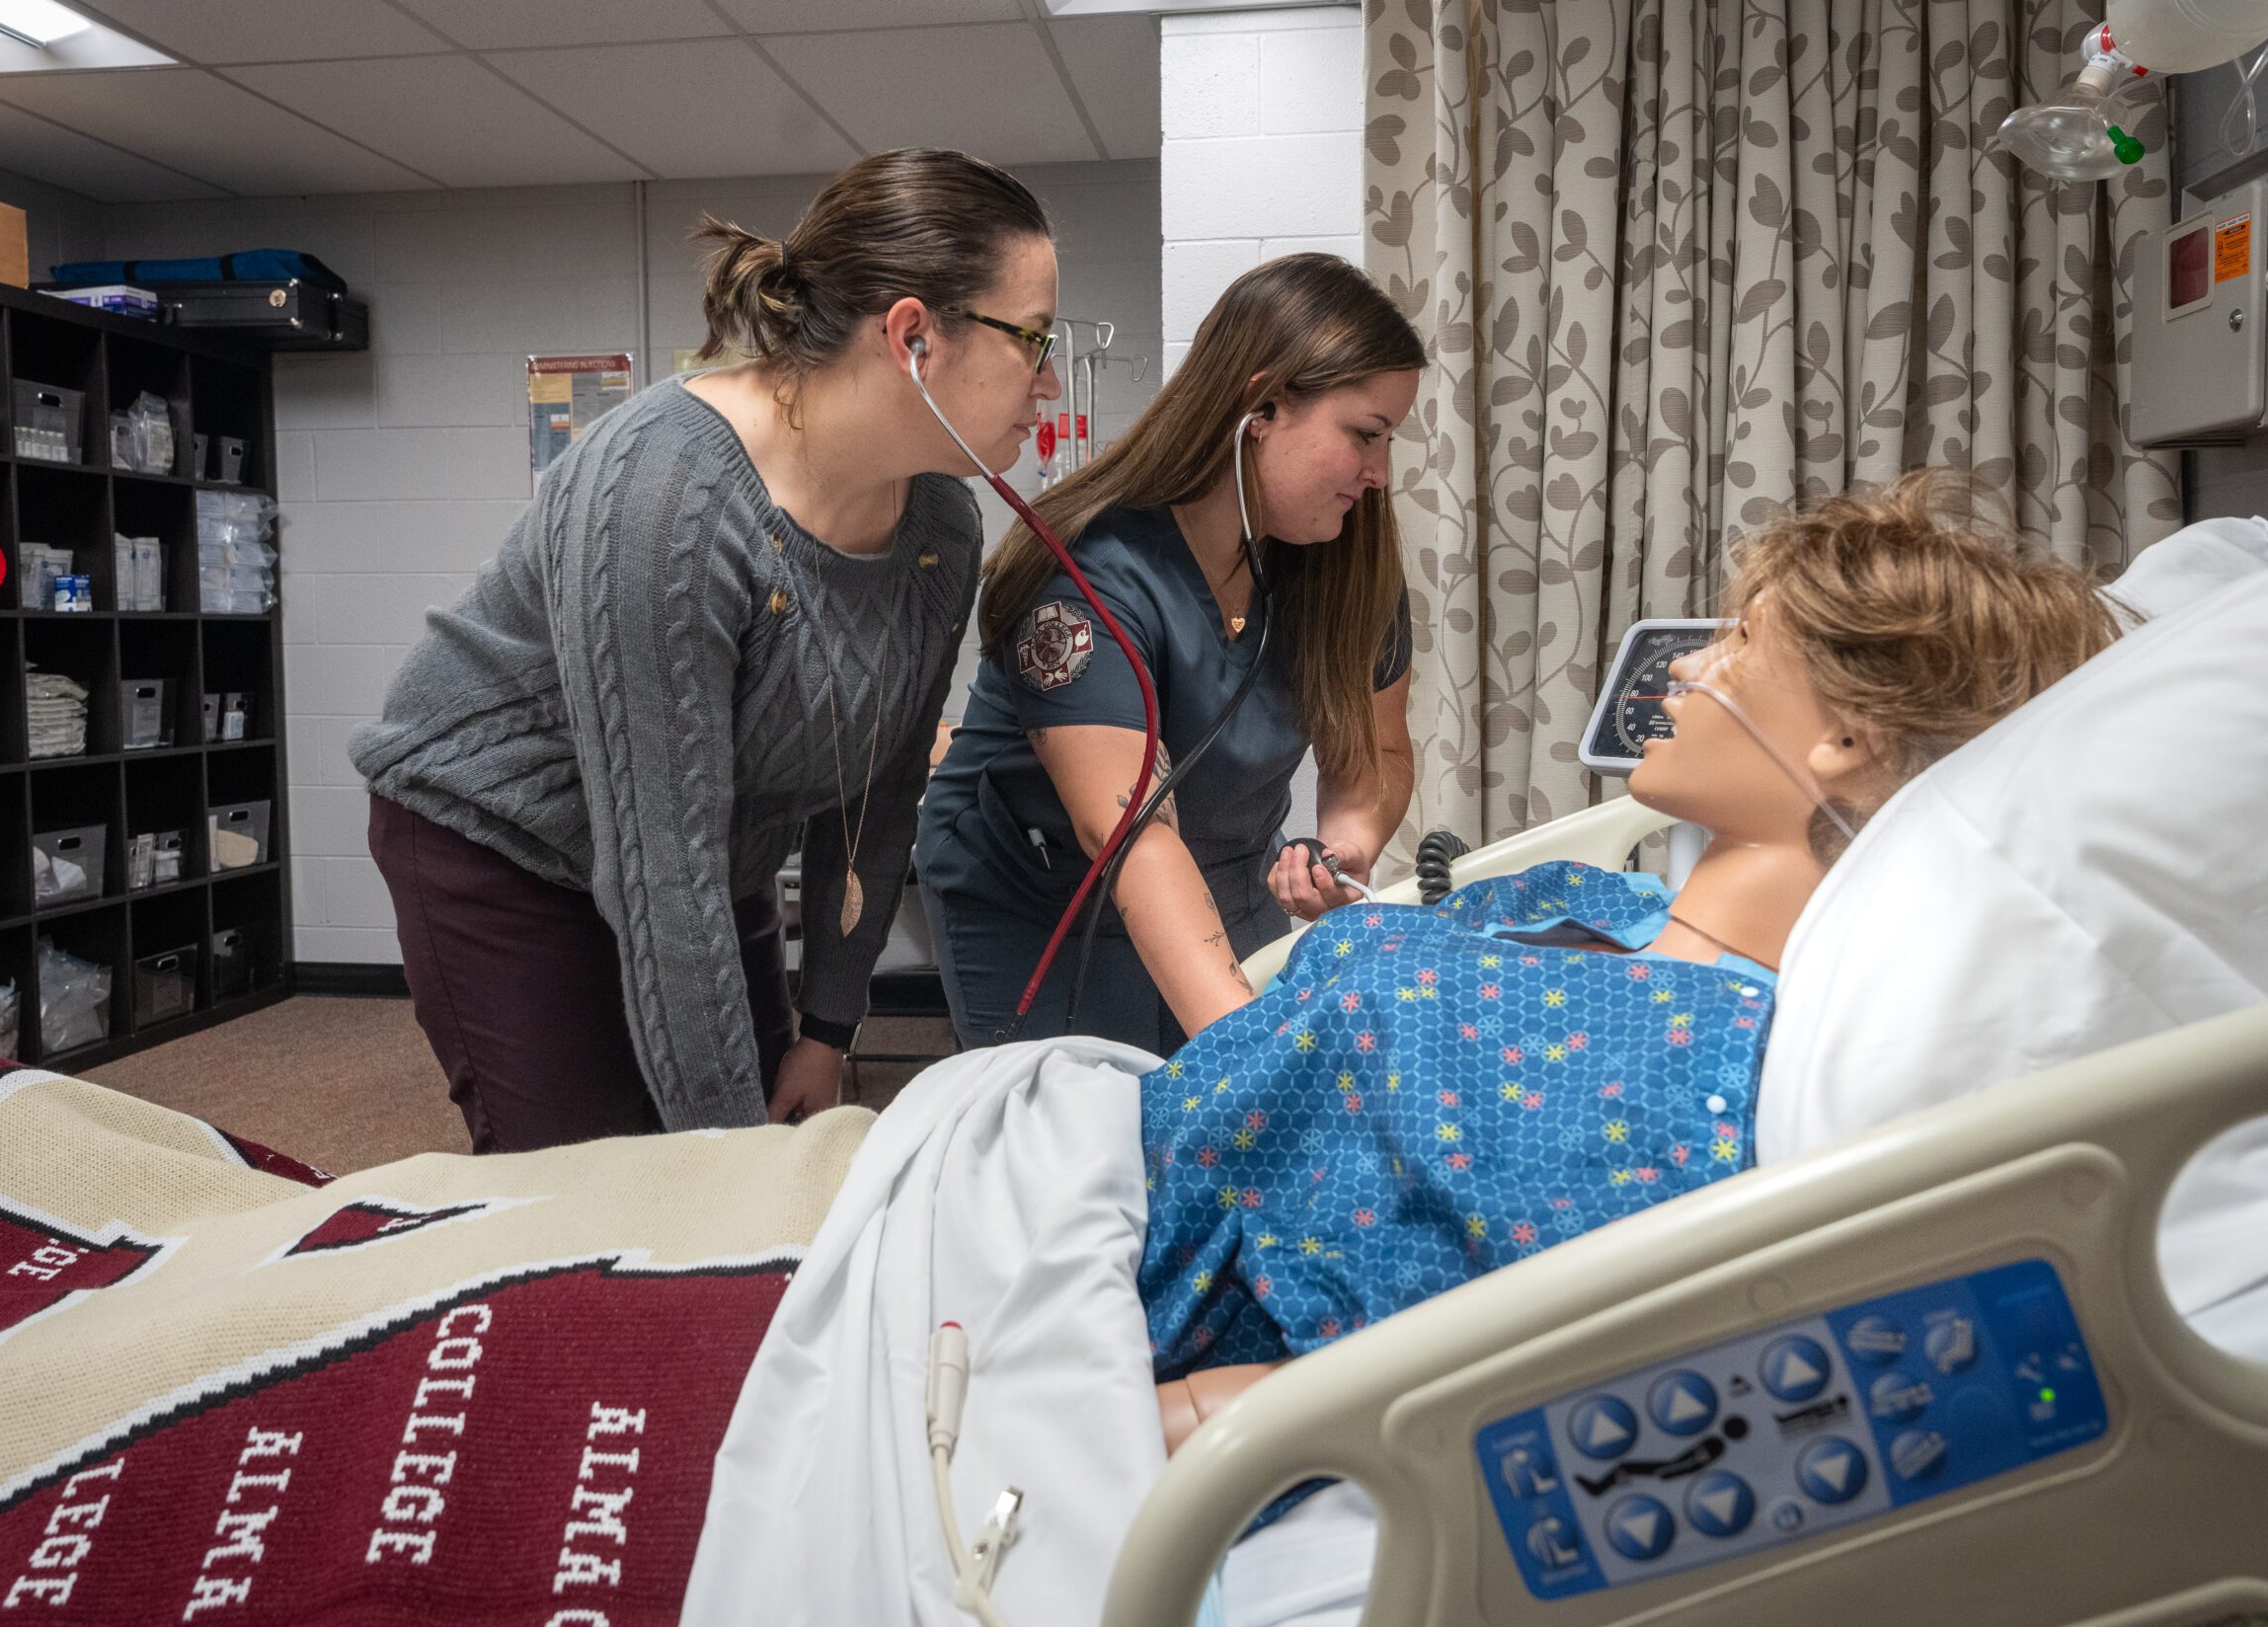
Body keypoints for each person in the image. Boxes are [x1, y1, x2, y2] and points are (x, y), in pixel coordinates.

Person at [1140, 467, 2122, 1446]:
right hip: (1100, 1146)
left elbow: (1442, 1363)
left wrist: (1167, 1418)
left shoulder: (1703, 1072)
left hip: (1138, 1285)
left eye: (1739, 642)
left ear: (1845, 735)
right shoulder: (1599, 896)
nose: (1685, 671)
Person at [351, 149, 1060, 1150]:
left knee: (776, 1108)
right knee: (595, 1175)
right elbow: (660, 876)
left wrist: (826, 1028)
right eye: (1032, 338)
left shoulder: (940, 521)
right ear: (912, 336)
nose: (1051, 378)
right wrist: (728, 1182)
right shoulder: (666, 494)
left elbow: (879, 798)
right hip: (503, 838)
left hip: (706, 846)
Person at [917, 254, 1426, 1053]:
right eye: (1364, 434)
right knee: (1099, 1130)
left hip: (1227, 874)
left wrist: (1347, 842)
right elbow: (1131, 837)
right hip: (1039, 893)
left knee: (1222, 1133)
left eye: (1388, 438)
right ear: (1261, 404)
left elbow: (1379, 749)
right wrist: (1245, 1060)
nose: (1379, 472)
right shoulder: (1089, 569)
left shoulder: (1346, 563)